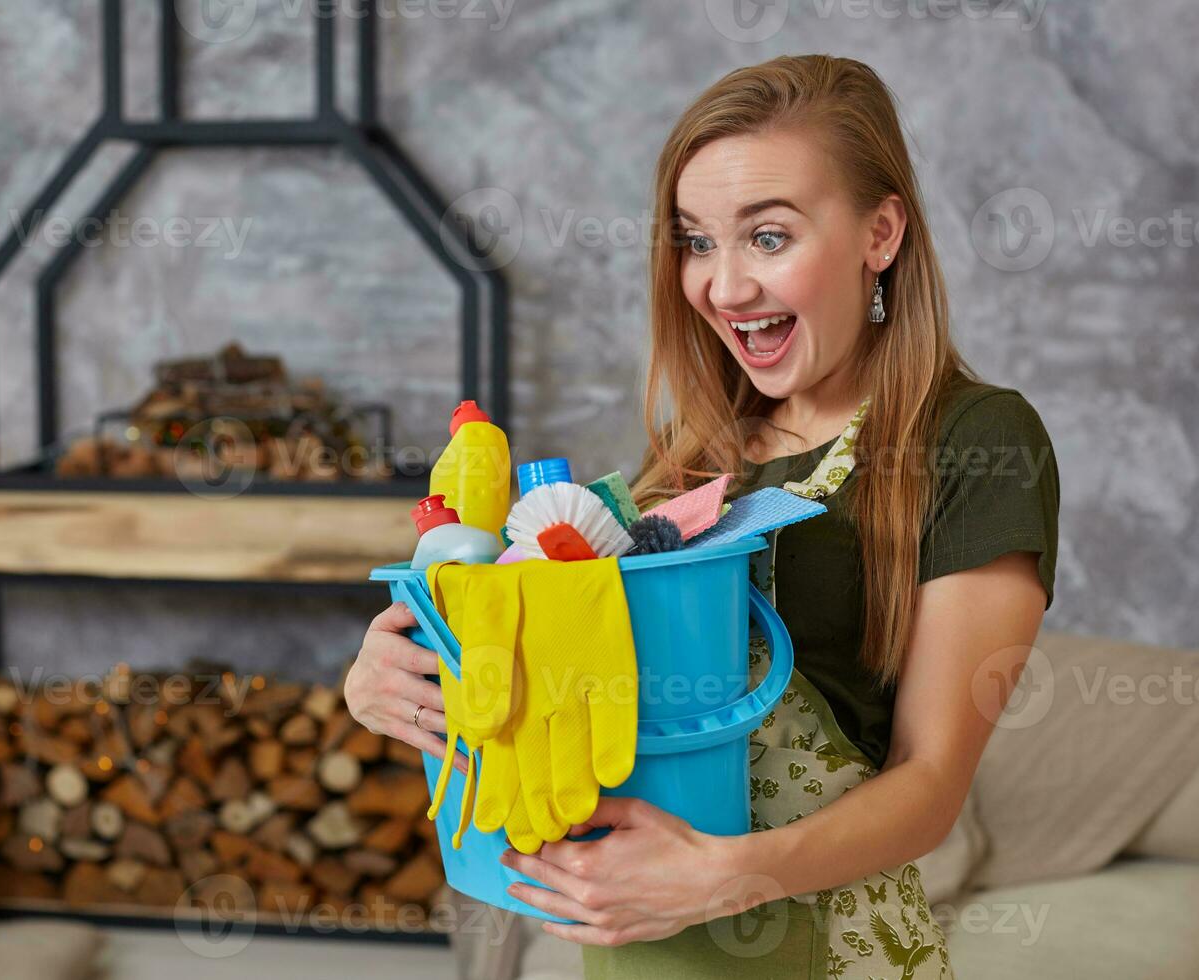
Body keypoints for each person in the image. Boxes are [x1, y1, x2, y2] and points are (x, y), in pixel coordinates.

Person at [346, 54, 1059, 978]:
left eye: (768, 237)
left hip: (819, 947)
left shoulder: (974, 438)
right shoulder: (695, 455)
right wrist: (403, 676)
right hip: (637, 946)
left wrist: (730, 875)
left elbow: (929, 789)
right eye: (695, 241)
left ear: (880, 232)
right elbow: (571, 695)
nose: (722, 289)